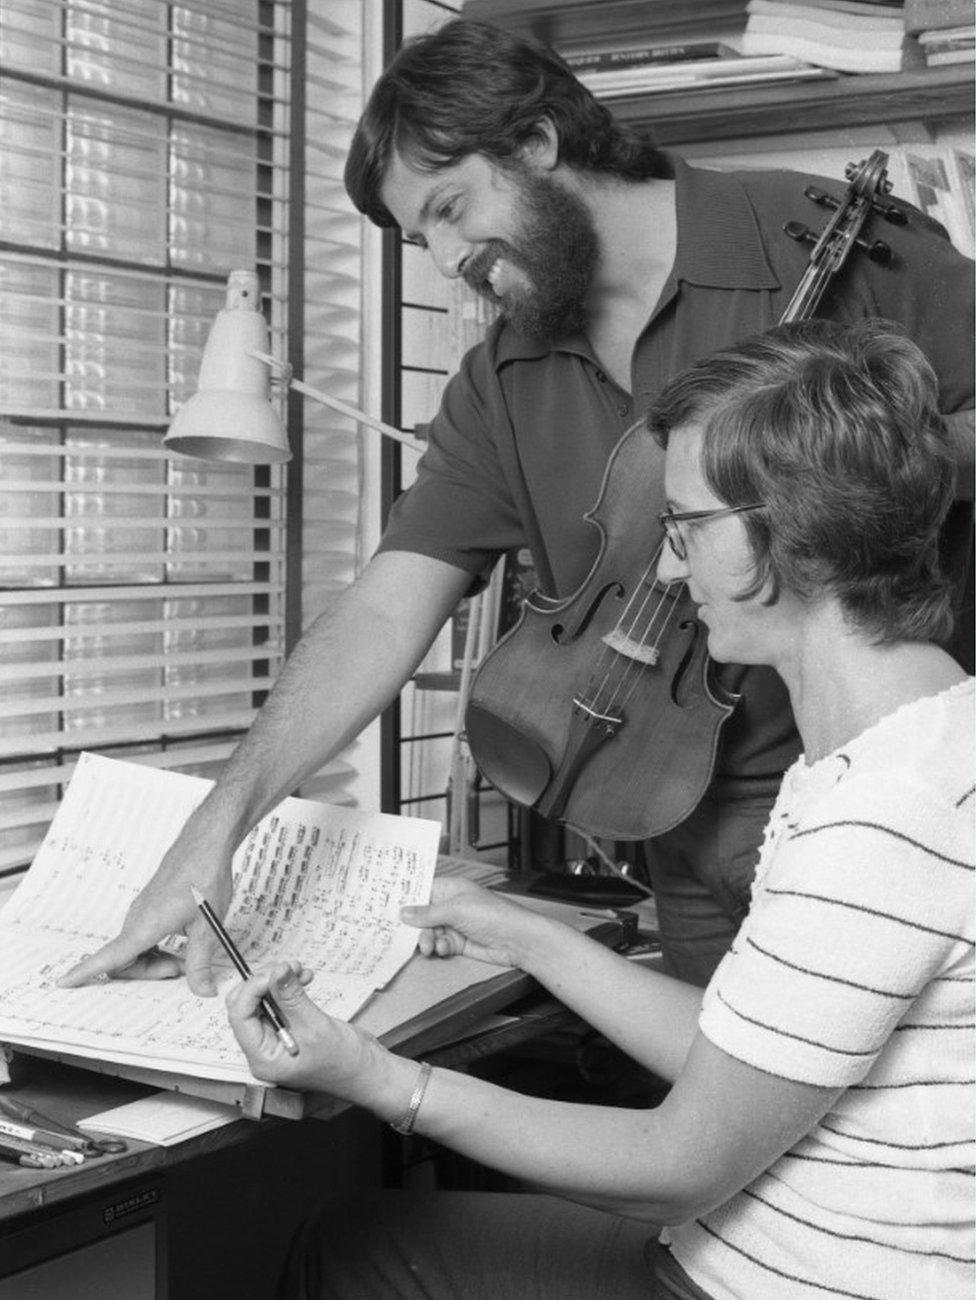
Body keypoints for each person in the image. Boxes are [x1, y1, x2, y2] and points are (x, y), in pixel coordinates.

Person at [61, 18, 975, 993]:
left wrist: (844, 457)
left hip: (889, 809)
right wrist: (219, 822)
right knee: (740, 1137)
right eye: (422, 235)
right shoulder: (499, 378)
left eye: (453, 207)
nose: (447, 256)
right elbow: (382, 609)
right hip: (672, 820)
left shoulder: (818, 238)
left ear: (538, 143)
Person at [226, 318, 974, 1300]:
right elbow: (743, 1055)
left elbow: (680, 1157)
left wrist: (375, 1078)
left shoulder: (884, 812)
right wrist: (525, 934)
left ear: (783, 530)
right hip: (754, 1255)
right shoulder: (914, 737)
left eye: (683, 527)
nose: (665, 569)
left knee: (362, 1249)